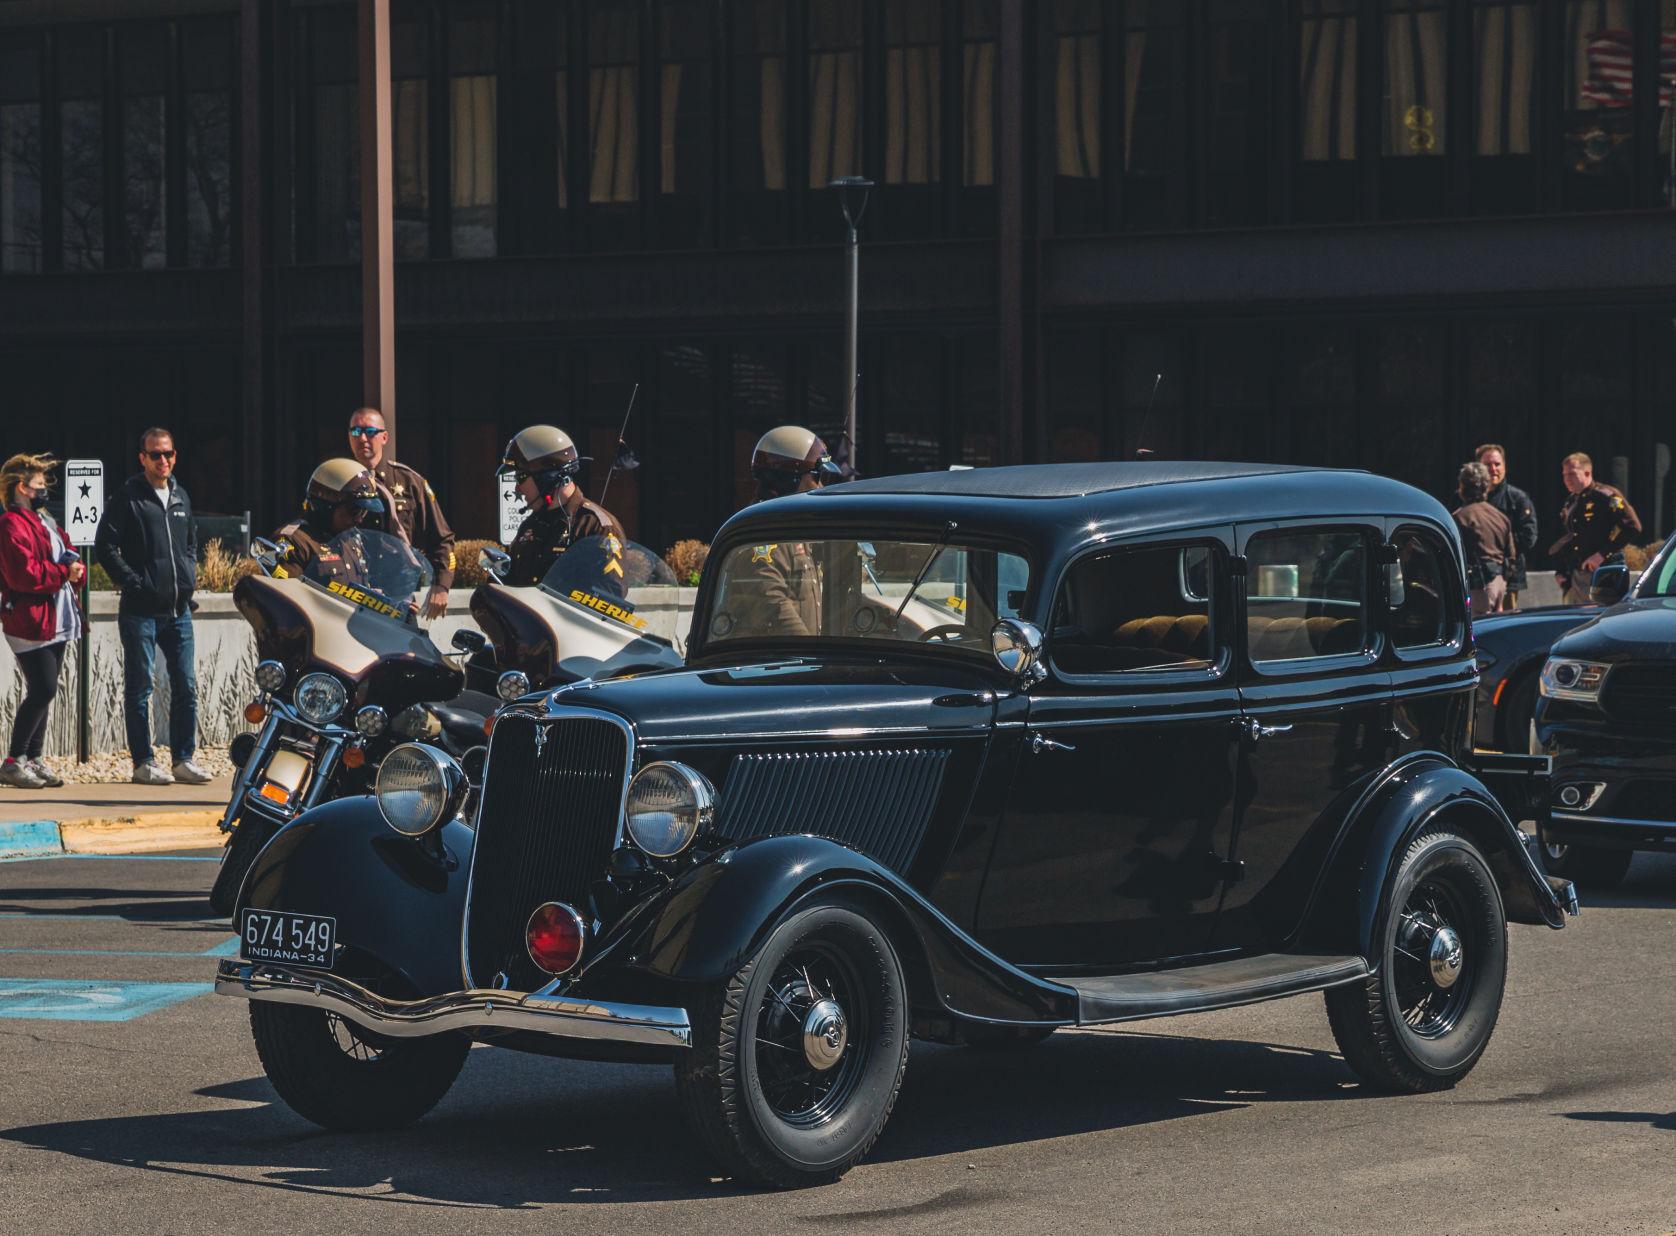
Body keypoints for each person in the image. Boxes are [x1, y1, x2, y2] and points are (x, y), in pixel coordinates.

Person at [94, 427, 210, 786]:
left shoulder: (180, 496)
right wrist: (134, 583)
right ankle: (143, 762)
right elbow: (105, 547)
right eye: (156, 455)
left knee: (186, 686)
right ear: (142, 457)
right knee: (141, 687)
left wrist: (189, 574)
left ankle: (182, 759)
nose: (164, 461)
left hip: (179, 611)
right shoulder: (127, 498)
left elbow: (191, 542)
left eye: (169, 454)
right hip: (140, 611)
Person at [0, 453, 83, 789]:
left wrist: (76, 571)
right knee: (44, 687)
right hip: (29, 618)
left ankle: (34, 758)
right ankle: (13, 760)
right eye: (38, 485)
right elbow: (24, 574)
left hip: (57, 615)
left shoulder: (44, 519)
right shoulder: (10, 525)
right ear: (22, 487)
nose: (44, 490)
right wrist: (64, 572)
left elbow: (66, 548)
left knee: (44, 691)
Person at [346, 406, 454, 618]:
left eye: (370, 431)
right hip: (350, 597)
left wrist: (441, 586)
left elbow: (442, 538)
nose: (362, 439)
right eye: (356, 432)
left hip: (399, 598)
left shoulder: (410, 481)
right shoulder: (338, 482)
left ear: (384, 437)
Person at [731, 426, 837, 636]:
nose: (821, 486)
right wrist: (809, 653)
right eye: (817, 476)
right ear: (791, 479)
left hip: (798, 662)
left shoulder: (792, 531)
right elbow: (770, 605)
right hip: (773, 663)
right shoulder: (764, 533)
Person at [500, 425, 625, 587]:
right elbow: (509, 583)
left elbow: (609, 595)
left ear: (548, 477)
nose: (517, 488)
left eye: (521, 478)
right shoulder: (530, 526)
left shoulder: (596, 527)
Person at [272, 459, 387, 586]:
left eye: (364, 511)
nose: (359, 519)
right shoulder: (293, 542)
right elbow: (284, 599)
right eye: (354, 511)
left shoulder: (352, 539)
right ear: (327, 506)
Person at [1550, 452, 1642, 605]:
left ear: (1587, 472)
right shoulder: (1571, 501)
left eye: (1572, 474)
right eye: (1564, 474)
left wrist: (1601, 554)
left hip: (1605, 571)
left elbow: (1633, 527)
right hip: (1578, 575)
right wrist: (1561, 570)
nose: (1567, 479)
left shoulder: (1606, 496)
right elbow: (1569, 537)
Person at [1473, 443, 1537, 609]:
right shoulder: (1466, 498)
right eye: (1488, 465)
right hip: (1475, 580)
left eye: (1497, 464)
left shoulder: (1518, 499)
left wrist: (1496, 545)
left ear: (1505, 467)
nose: (1493, 469)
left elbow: (1529, 537)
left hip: (1509, 578)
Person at [1452, 461, 1516, 616]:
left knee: (1478, 632)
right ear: (1486, 487)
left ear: (1462, 487)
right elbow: (1511, 555)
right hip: (1499, 583)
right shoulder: (1500, 517)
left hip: (1477, 587)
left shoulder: (1459, 518)